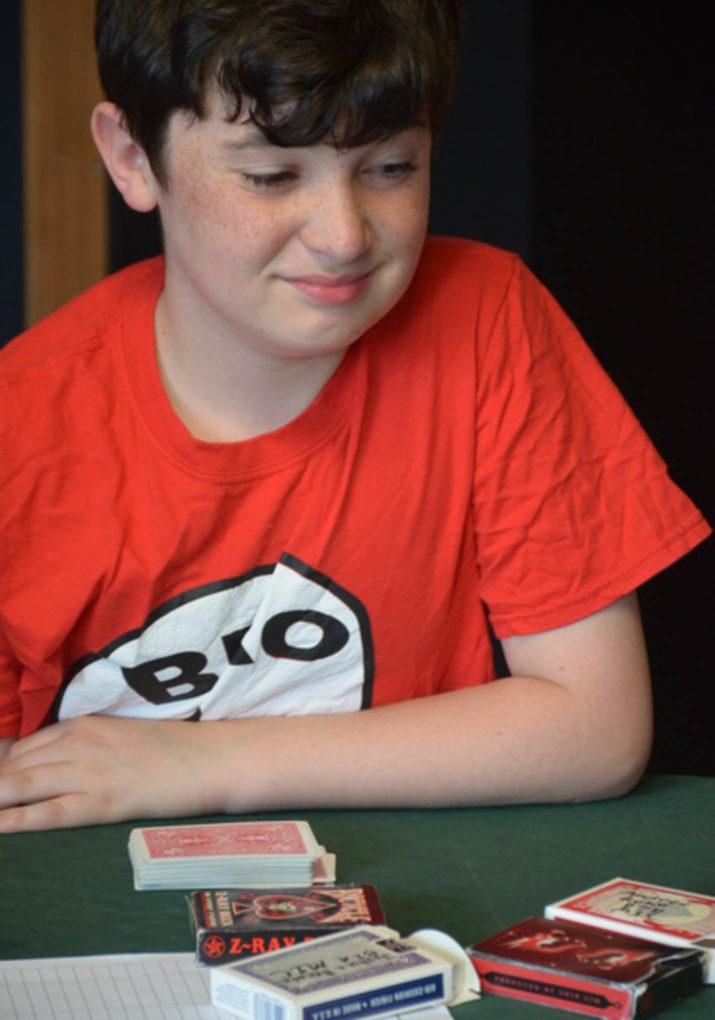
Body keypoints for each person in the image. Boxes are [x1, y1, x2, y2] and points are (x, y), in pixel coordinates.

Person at [0, 0, 709, 832]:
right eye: (270, 176)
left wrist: (206, 762)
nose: (343, 236)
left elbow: (597, 729)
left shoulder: (489, 318)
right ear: (131, 157)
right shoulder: (26, 425)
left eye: (391, 169)